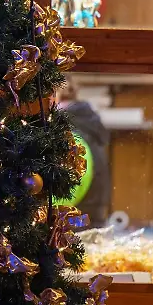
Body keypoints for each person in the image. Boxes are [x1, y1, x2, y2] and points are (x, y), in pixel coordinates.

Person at [58, 79, 111, 226]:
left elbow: (68, 193)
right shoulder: (87, 124)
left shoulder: (68, 133)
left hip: (74, 220)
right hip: (92, 216)